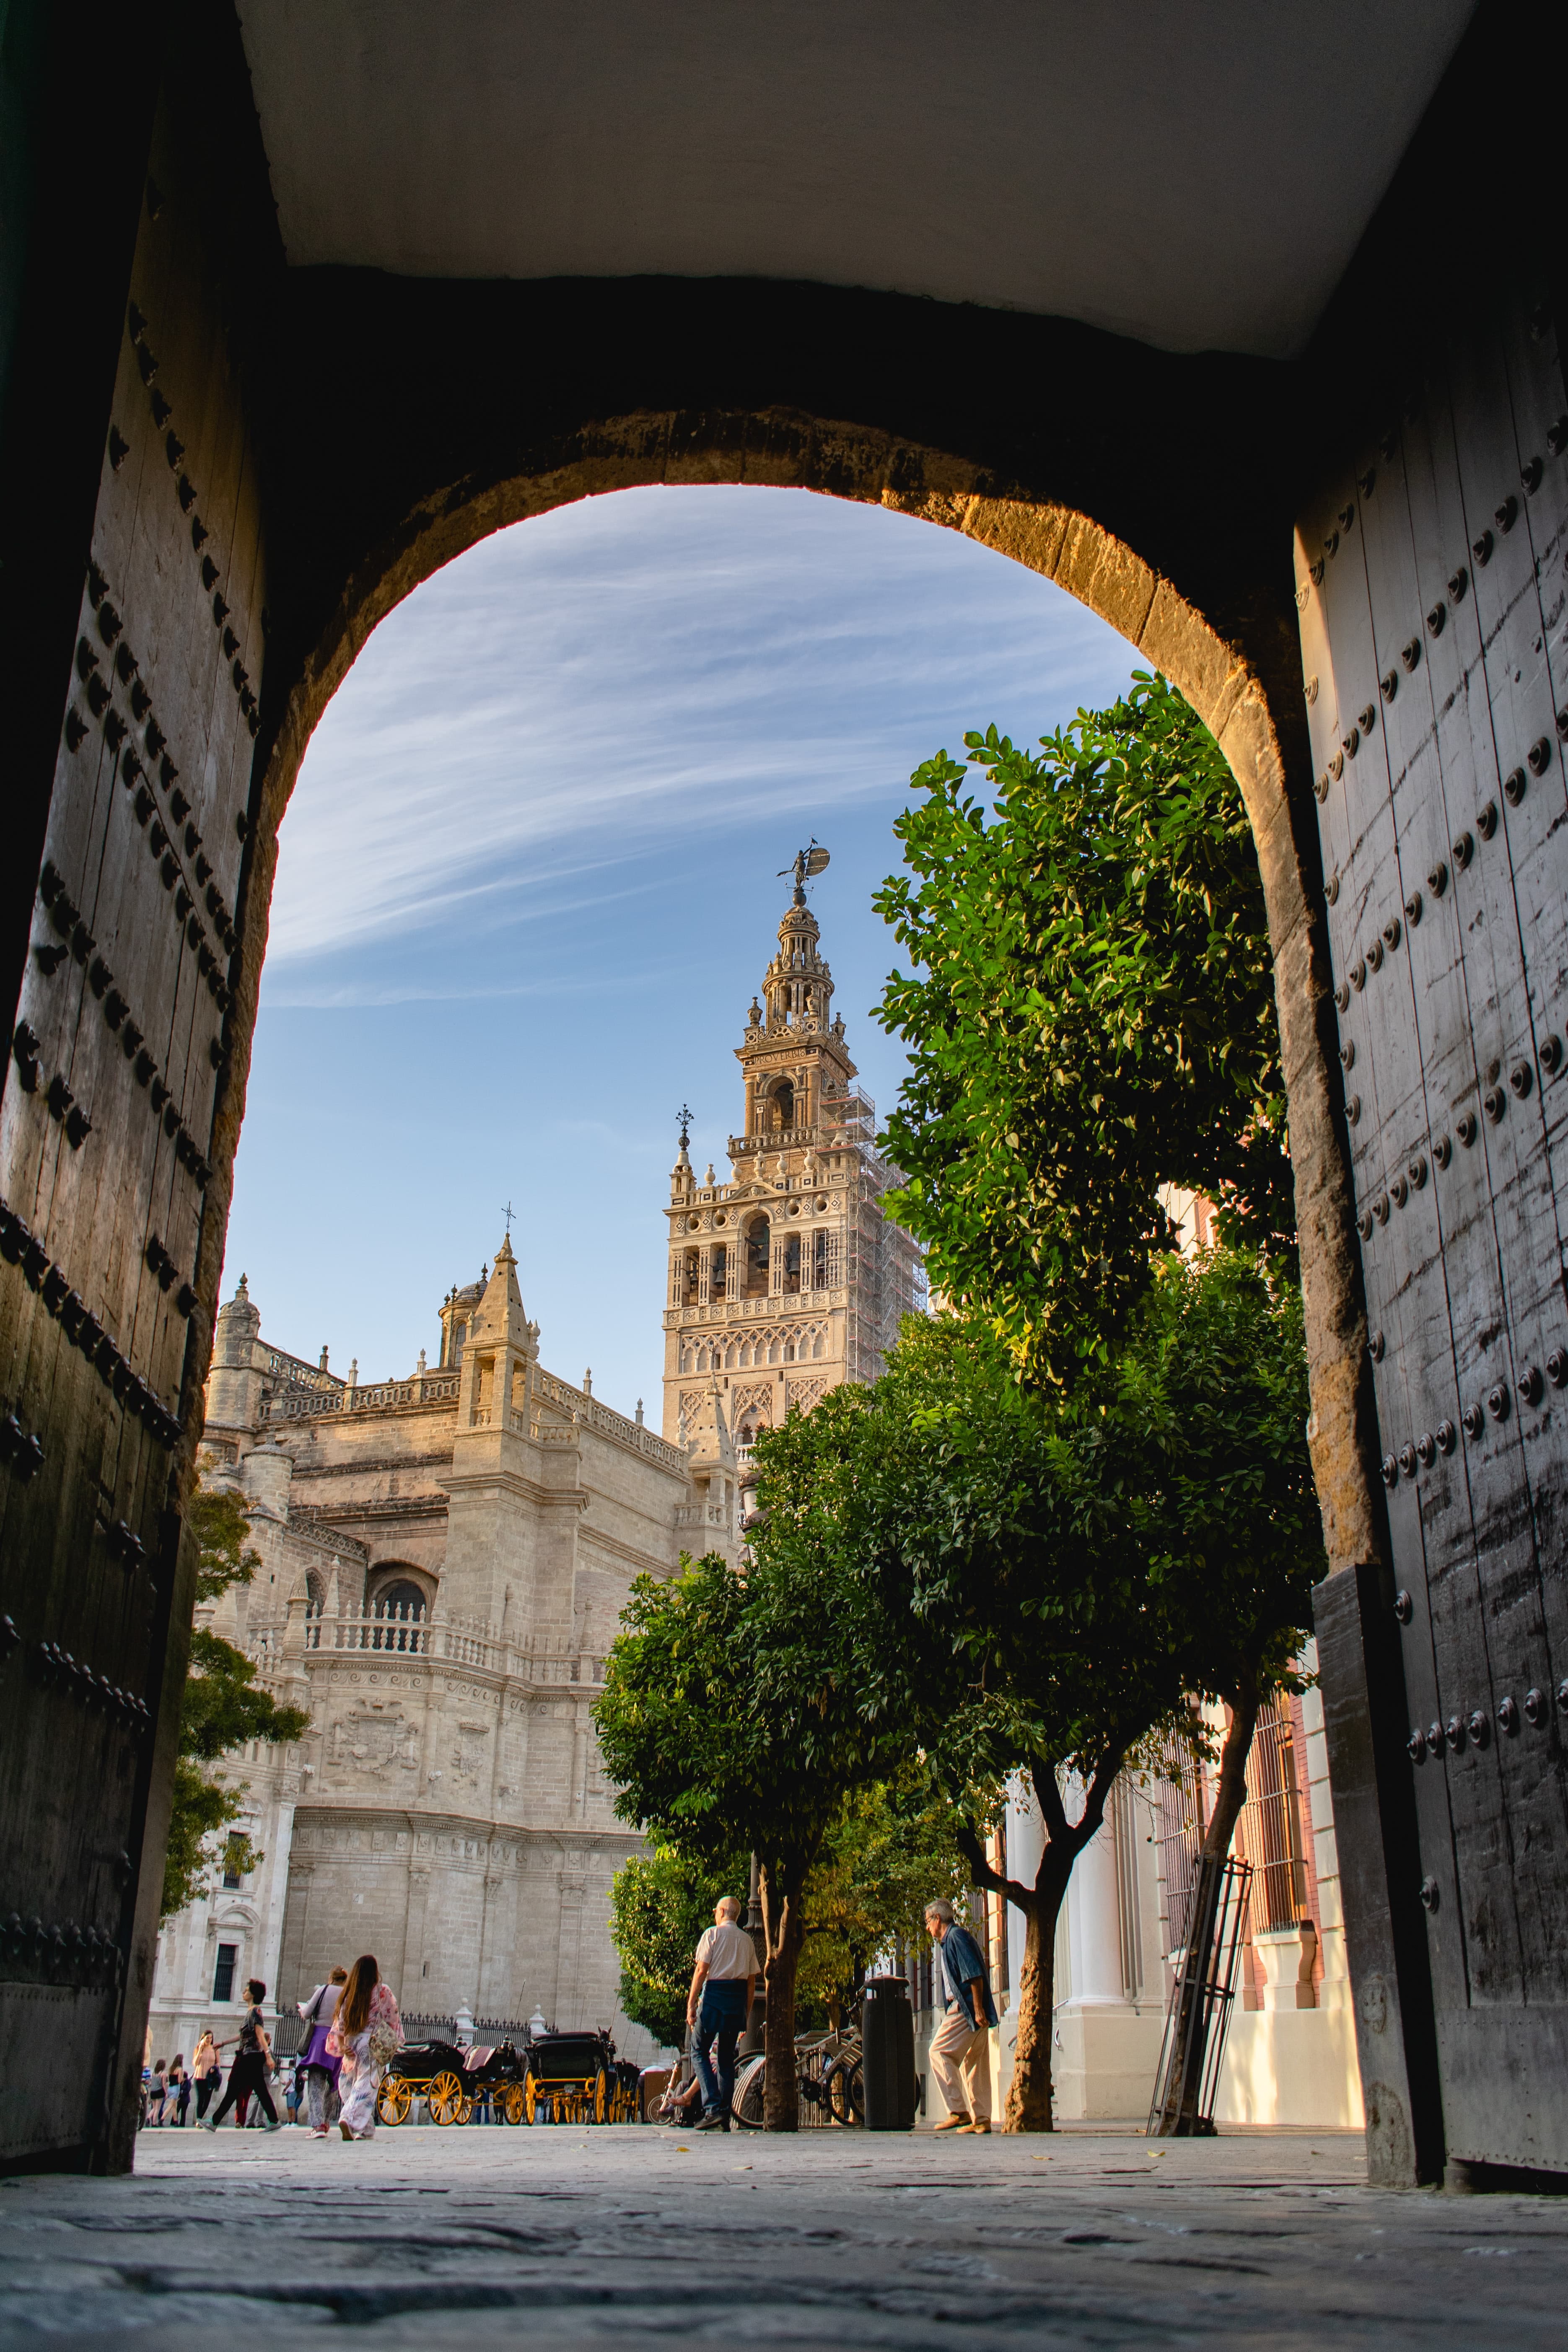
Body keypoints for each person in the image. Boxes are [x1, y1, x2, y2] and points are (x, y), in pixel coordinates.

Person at [925, 1899, 998, 2135]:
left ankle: (958, 2112)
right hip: (972, 2008)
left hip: (965, 2008)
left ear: (937, 1919)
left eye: (928, 1922)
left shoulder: (955, 1937)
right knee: (975, 2062)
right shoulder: (952, 1940)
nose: (927, 1928)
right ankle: (982, 2119)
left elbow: (973, 1974)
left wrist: (977, 2010)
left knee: (938, 2052)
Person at [685, 1896, 757, 2134]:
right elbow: (751, 1981)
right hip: (736, 2000)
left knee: (698, 2049)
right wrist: (745, 2013)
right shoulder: (747, 1941)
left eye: (716, 1910)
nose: (715, 1914)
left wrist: (692, 2003)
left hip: (715, 1995)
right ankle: (724, 2114)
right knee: (726, 2059)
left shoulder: (712, 1935)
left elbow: (701, 1969)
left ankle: (713, 2108)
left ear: (724, 1911)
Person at [327, 1954, 402, 2140]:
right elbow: (392, 2017)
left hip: (352, 2042)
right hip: (372, 2042)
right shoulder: (382, 1991)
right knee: (366, 2085)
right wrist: (394, 2040)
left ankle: (366, 2129)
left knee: (347, 2083)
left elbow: (340, 2022)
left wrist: (343, 2045)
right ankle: (349, 2118)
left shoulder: (349, 1993)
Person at [200, 1980, 282, 2132]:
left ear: (253, 1995)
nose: (244, 1993)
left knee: (234, 2089)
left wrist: (268, 2055)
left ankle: (214, 2122)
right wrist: (224, 2043)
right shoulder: (250, 2013)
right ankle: (274, 2120)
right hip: (248, 2056)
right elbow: (243, 2036)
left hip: (250, 2058)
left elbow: (260, 2034)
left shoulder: (255, 2012)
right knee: (258, 2090)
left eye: (246, 1990)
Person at [298, 1965, 347, 2139]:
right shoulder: (347, 1995)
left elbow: (307, 2013)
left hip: (320, 2041)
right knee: (333, 2086)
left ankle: (317, 2124)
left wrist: (301, 2010)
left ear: (331, 1978)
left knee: (316, 2085)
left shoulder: (323, 1991)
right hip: (338, 2042)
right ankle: (326, 2122)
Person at [192, 2031, 220, 2119]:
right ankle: (199, 2120)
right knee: (200, 2099)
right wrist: (200, 2049)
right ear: (203, 2039)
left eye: (211, 2038)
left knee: (207, 2100)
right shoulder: (198, 2048)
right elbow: (196, 2063)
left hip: (210, 2078)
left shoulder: (215, 2049)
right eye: (207, 2038)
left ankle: (200, 2118)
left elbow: (218, 2063)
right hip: (199, 2076)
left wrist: (215, 2068)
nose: (209, 2040)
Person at [169, 2055, 189, 2128]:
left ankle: (178, 2123)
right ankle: (164, 2120)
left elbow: (187, 2090)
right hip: (177, 2091)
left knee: (177, 2108)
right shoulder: (179, 2069)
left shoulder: (172, 2068)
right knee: (173, 2107)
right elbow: (179, 2081)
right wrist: (181, 2079)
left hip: (173, 2090)